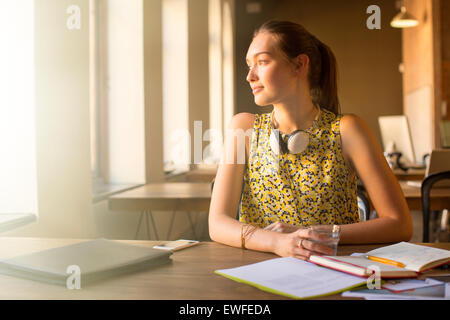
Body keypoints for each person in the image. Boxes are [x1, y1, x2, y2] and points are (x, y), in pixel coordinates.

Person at [208, 20, 413, 260]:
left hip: (333, 271)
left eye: (262, 62)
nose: (250, 76)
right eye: (249, 65)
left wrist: (311, 234)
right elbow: (217, 223)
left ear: (299, 65)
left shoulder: (348, 129)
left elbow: (400, 225)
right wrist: (277, 243)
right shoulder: (243, 127)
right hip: (260, 271)